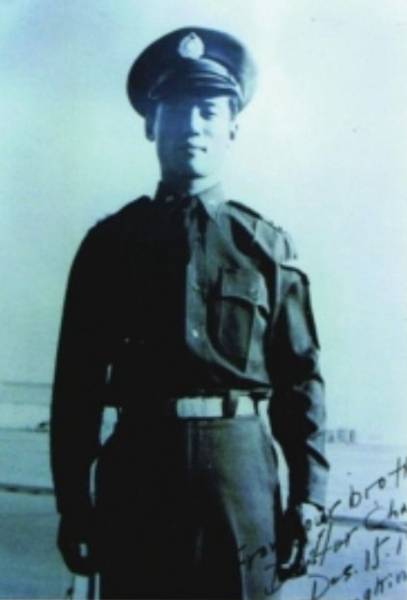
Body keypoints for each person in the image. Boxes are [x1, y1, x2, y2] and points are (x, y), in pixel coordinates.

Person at [50, 26, 329, 600]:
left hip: (240, 477)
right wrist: (73, 503)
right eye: (175, 111)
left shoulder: (265, 248)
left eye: (208, 111)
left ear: (233, 127)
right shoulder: (110, 246)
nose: (192, 126)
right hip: (138, 472)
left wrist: (309, 498)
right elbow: (76, 390)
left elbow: (301, 380)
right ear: (152, 125)